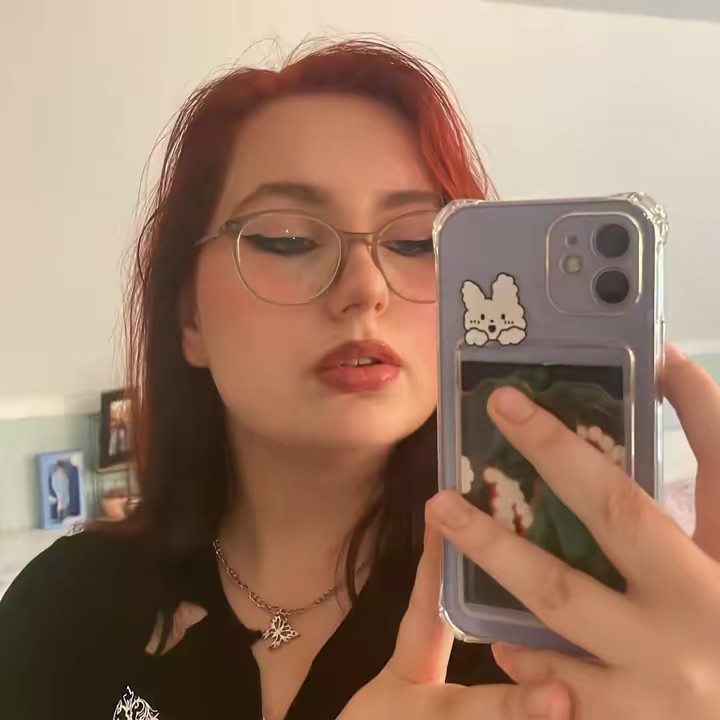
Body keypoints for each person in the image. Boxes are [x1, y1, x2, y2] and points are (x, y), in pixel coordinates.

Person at [1, 38, 719, 720]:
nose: (367, 288)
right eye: (288, 239)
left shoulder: (551, 640)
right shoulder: (64, 608)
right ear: (189, 316)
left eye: (415, 241)